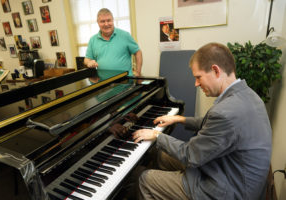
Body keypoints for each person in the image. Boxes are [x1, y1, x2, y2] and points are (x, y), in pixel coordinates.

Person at [132, 42, 272, 200]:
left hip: (229, 190)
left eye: (198, 77)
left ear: (215, 70)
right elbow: (212, 126)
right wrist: (180, 119)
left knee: (144, 179)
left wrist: (157, 136)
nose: (196, 84)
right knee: (161, 156)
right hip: (233, 173)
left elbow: (190, 154)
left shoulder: (225, 113)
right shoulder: (247, 94)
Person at [84, 8, 142, 77]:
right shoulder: (93, 40)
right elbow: (87, 59)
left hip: (126, 82)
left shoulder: (125, 35)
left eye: (109, 20)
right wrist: (89, 62)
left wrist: (138, 72)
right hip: (103, 83)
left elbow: (138, 52)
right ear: (98, 22)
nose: (106, 24)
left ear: (113, 20)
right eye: (102, 21)